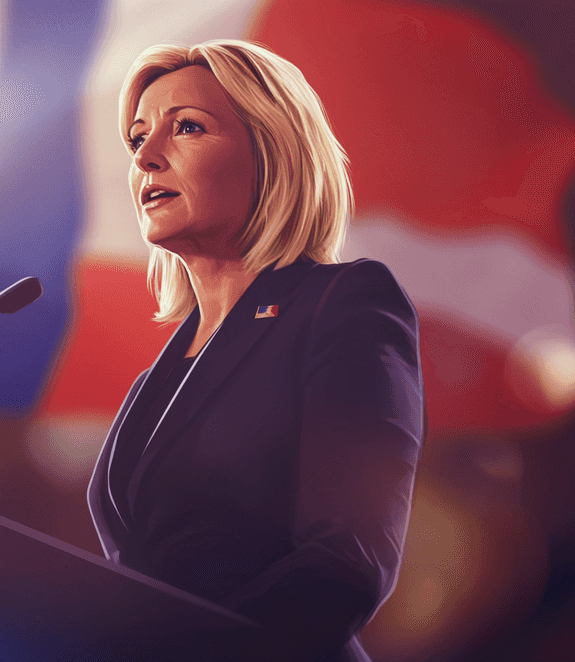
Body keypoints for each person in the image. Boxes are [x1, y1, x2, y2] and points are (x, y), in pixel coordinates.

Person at [87, 39, 424, 662]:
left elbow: (347, 562)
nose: (148, 157)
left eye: (186, 127)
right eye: (137, 140)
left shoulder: (345, 303)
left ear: (270, 154)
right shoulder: (151, 385)